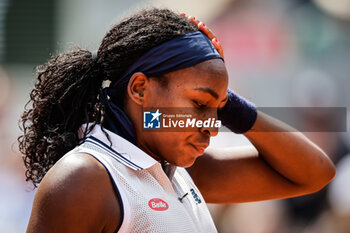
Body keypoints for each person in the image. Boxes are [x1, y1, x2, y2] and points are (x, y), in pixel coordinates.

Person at [18, 8, 335, 233]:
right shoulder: (85, 178)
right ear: (140, 88)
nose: (212, 125)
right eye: (198, 104)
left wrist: (229, 103)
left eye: (218, 109)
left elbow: (315, 173)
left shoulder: (182, 171)